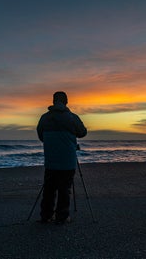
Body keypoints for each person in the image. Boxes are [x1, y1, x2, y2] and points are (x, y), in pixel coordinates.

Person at [36, 91, 87, 224]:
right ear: (66, 102)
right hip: (67, 160)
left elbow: (41, 136)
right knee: (65, 189)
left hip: (51, 160)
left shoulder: (44, 118)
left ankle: (46, 216)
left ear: (53, 101)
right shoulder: (72, 117)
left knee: (49, 189)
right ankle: (62, 217)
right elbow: (82, 133)